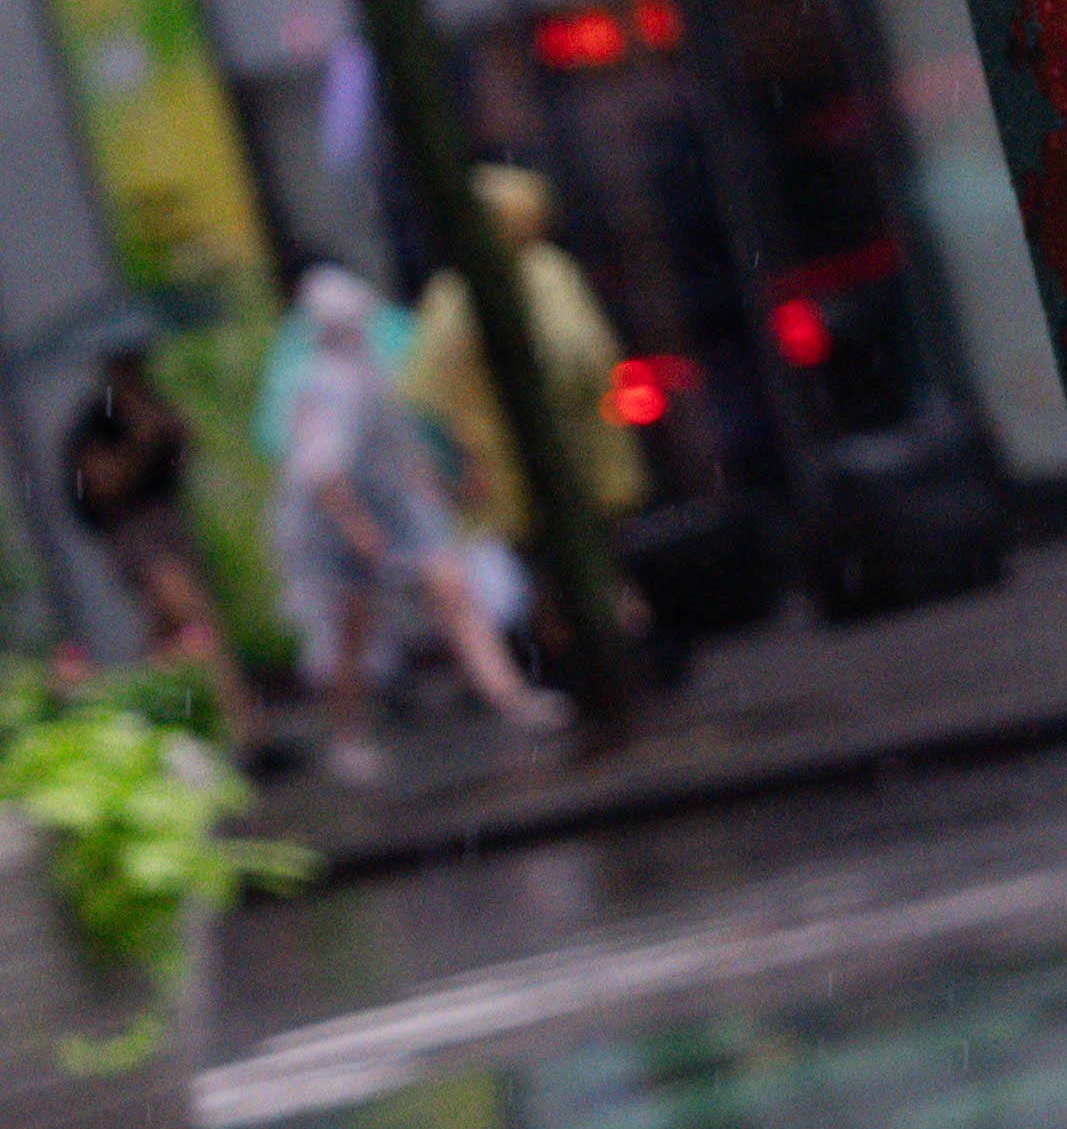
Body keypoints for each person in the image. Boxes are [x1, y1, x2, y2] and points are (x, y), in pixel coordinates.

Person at [263, 263, 556, 777]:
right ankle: (346, 737)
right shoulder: (324, 383)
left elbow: (398, 446)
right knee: (351, 632)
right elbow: (322, 473)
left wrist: (441, 487)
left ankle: (511, 698)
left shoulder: (370, 369)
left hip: (393, 511)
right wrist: (358, 530)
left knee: (452, 594)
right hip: (340, 529)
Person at [408, 163, 647, 553]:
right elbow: (430, 396)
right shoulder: (455, 291)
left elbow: (589, 356)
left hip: (580, 465)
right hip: (508, 481)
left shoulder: (552, 271)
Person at [54, 339, 257, 751]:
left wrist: (171, 432)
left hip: (167, 526)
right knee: (193, 621)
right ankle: (243, 726)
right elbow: (100, 488)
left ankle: (159, 729)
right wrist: (138, 444)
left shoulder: (154, 405)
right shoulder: (96, 423)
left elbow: (184, 458)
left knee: (168, 637)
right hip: (133, 537)